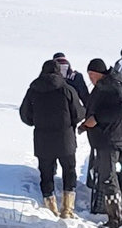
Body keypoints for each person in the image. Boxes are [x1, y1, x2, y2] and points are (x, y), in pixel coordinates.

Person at [19, 58, 84, 217]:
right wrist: (70, 123)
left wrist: (37, 123)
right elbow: (79, 113)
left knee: (46, 174)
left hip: (43, 139)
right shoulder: (67, 89)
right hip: (65, 138)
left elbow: (25, 114)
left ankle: (50, 208)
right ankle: (67, 209)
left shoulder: (33, 90)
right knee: (69, 171)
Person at [81, 57, 122, 228]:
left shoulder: (111, 86)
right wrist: (87, 124)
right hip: (102, 140)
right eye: (89, 75)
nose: (90, 79)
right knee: (105, 178)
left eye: (92, 75)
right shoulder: (102, 87)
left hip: (109, 140)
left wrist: (97, 120)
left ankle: (115, 218)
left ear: (99, 74)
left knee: (109, 179)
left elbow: (121, 110)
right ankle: (112, 216)